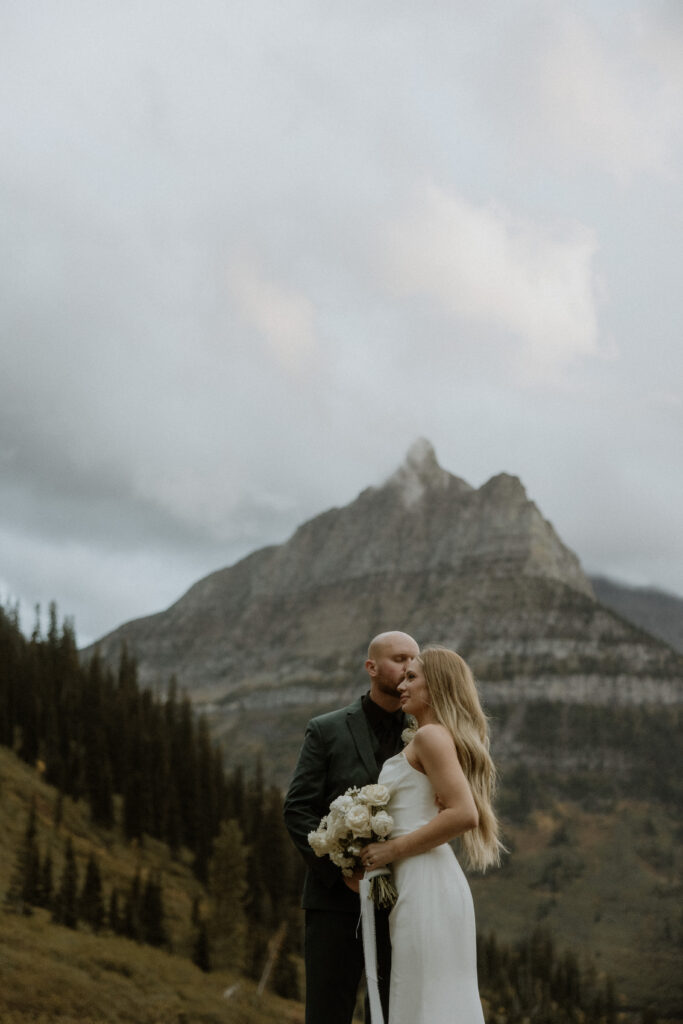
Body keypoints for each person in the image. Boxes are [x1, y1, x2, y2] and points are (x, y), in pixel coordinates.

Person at [283, 630, 420, 1024]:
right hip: (334, 903)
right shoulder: (326, 729)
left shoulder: (427, 732)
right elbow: (297, 809)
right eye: (398, 658)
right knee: (328, 1012)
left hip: (405, 897)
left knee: (396, 1013)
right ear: (371, 667)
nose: (408, 666)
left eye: (413, 659)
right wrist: (341, 871)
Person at [361, 646, 503, 1024]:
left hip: (425, 882)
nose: (401, 684)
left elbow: (464, 814)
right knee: (423, 993)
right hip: (421, 879)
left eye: (412, 677)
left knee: (426, 997)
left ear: (436, 685)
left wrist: (390, 850)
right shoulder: (431, 737)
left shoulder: (430, 738)